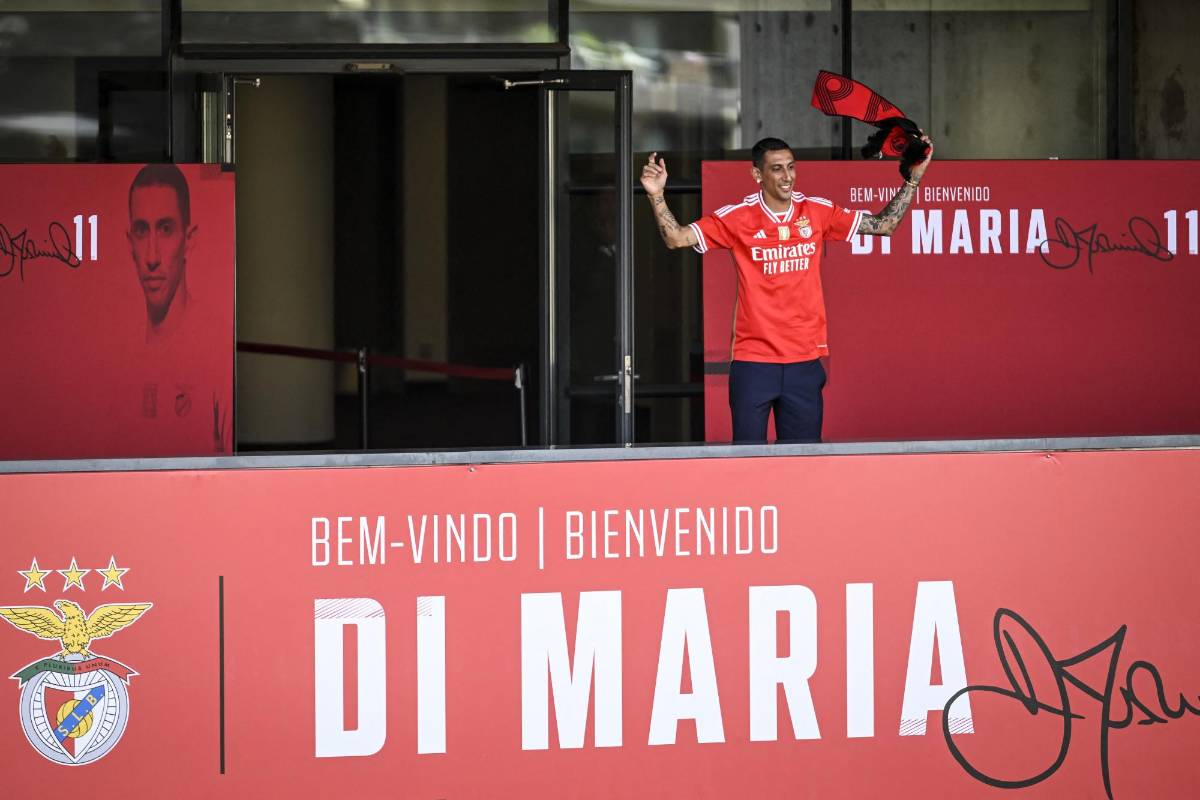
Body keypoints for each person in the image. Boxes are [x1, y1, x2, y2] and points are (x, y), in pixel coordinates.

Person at [640, 136, 932, 443]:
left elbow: (884, 225)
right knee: (748, 462)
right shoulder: (737, 217)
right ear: (757, 175)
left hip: (804, 361)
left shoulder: (817, 211)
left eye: (791, 167)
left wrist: (913, 181)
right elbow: (677, 238)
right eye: (777, 169)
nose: (787, 176)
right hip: (753, 362)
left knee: (803, 465)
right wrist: (656, 195)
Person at [127, 163, 197, 344]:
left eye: (166, 229)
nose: (152, 258)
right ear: (130, 243)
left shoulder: (214, 342)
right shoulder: (121, 350)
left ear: (189, 240)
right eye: (141, 231)